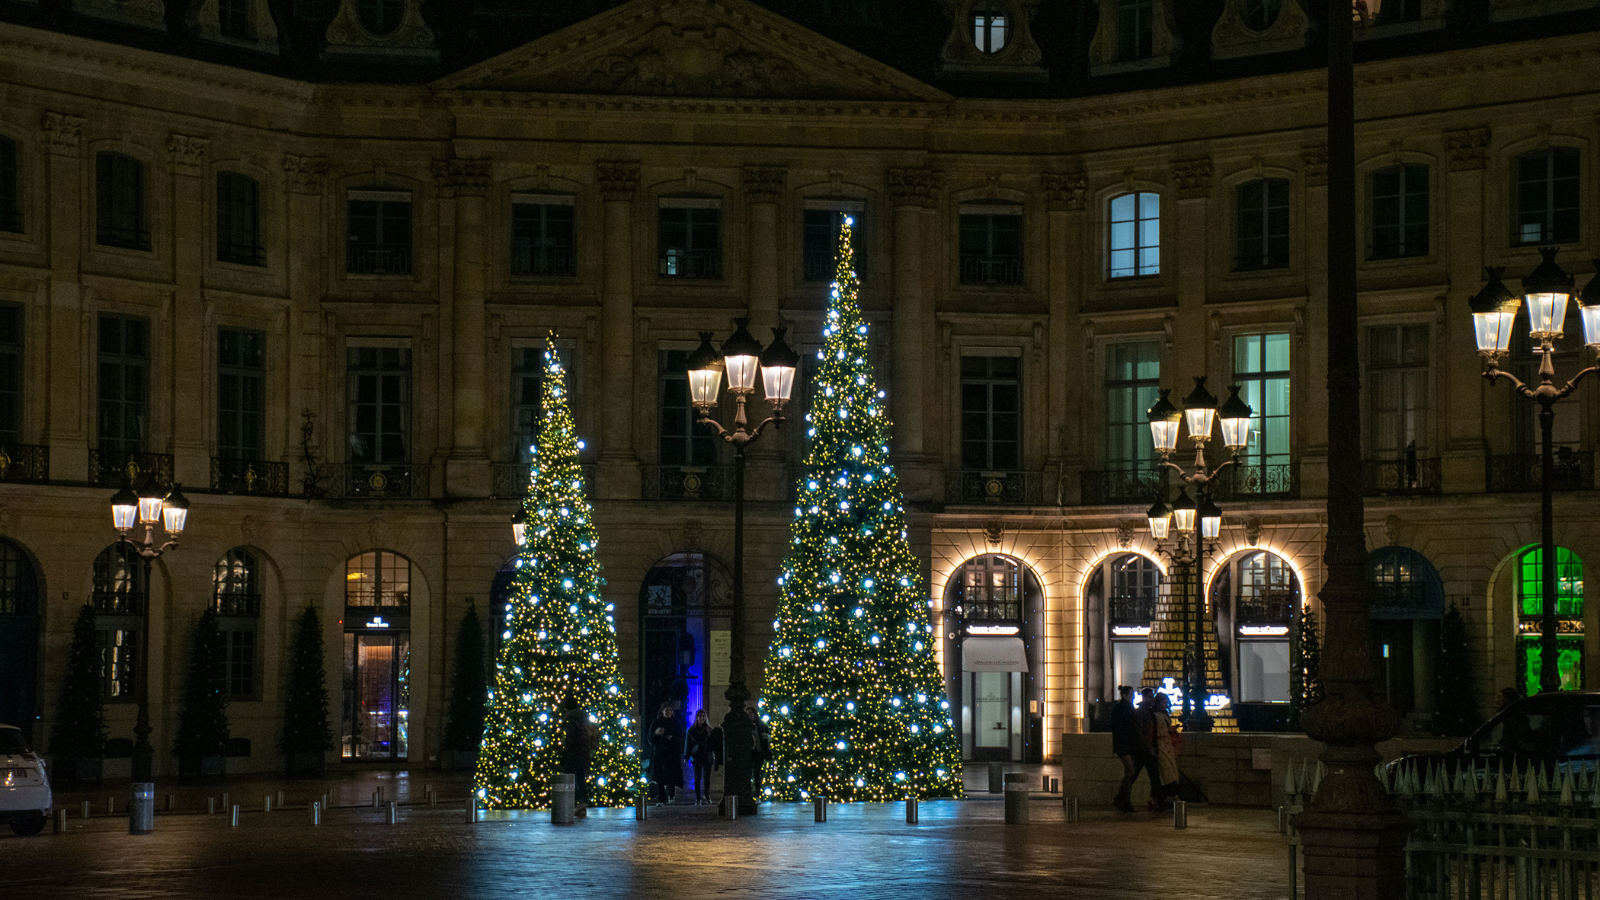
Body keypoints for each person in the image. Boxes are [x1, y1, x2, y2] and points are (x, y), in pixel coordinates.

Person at [1108, 685, 1147, 813]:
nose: (1132, 697)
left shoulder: (1122, 708)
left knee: (1129, 773)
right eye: (1130, 695)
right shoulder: (1122, 709)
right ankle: (1122, 799)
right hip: (1124, 745)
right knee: (1130, 772)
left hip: (1125, 745)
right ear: (1124, 695)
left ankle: (1123, 799)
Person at [561, 695, 595, 817]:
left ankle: (578, 802)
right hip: (584, 753)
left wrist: (565, 754)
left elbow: (570, 740)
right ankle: (584, 802)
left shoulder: (572, 719)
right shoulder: (585, 719)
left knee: (569, 778)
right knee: (581, 777)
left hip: (573, 754)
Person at [1148, 692, 1181, 812]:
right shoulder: (1156, 715)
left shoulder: (1163, 714)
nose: (1165, 704)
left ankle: (1162, 798)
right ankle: (1171, 796)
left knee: (1169, 773)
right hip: (1161, 746)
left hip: (1167, 746)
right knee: (1167, 773)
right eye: (1164, 702)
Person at [648, 702, 684, 805]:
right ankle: (661, 799)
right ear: (662, 711)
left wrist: (672, 738)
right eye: (666, 710)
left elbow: (681, 737)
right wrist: (657, 733)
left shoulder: (676, 722)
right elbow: (650, 739)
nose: (668, 712)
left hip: (672, 753)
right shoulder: (656, 722)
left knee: (671, 776)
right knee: (660, 777)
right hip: (659, 753)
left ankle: (671, 796)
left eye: (670, 710)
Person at [684, 709, 716, 806]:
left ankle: (706, 795)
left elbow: (713, 744)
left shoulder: (709, 730)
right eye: (700, 716)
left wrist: (714, 755)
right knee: (697, 778)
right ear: (697, 718)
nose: (701, 718)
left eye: (703, 716)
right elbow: (688, 744)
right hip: (696, 756)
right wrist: (687, 756)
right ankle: (698, 798)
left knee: (707, 778)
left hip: (707, 756)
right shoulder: (691, 730)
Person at [747, 706, 772, 802]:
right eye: (748, 714)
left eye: (751, 714)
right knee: (748, 774)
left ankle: (757, 794)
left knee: (757, 774)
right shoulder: (746, 726)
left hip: (759, 752)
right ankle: (749, 794)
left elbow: (769, 736)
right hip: (750, 752)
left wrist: (766, 736)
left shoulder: (761, 725)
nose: (750, 716)